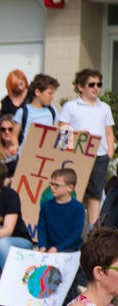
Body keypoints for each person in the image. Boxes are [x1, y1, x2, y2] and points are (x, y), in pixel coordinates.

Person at [59, 69, 115, 226]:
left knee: (95, 195)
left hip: (100, 156)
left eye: (99, 84)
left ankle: (93, 230)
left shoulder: (104, 108)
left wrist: (109, 153)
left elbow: (109, 132)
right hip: (77, 156)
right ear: (80, 87)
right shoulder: (70, 107)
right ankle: (68, 229)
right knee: (71, 193)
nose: (96, 87)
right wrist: (76, 136)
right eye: (91, 84)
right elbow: (63, 130)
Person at [38, 167, 86, 253]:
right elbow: (42, 229)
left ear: (70, 188)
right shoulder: (46, 206)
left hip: (71, 250)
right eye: (51, 184)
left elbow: (76, 233)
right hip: (49, 249)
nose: (52, 188)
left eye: (56, 185)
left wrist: (58, 248)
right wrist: (42, 246)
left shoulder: (78, 207)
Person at [15, 74, 58, 148]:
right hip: (26, 155)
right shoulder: (23, 112)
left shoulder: (52, 111)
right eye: (49, 93)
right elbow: (14, 136)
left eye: (53, 93)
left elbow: (57, 131)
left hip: (45, 154)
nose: (52, 97)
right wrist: (15, 147)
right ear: (37, 92)